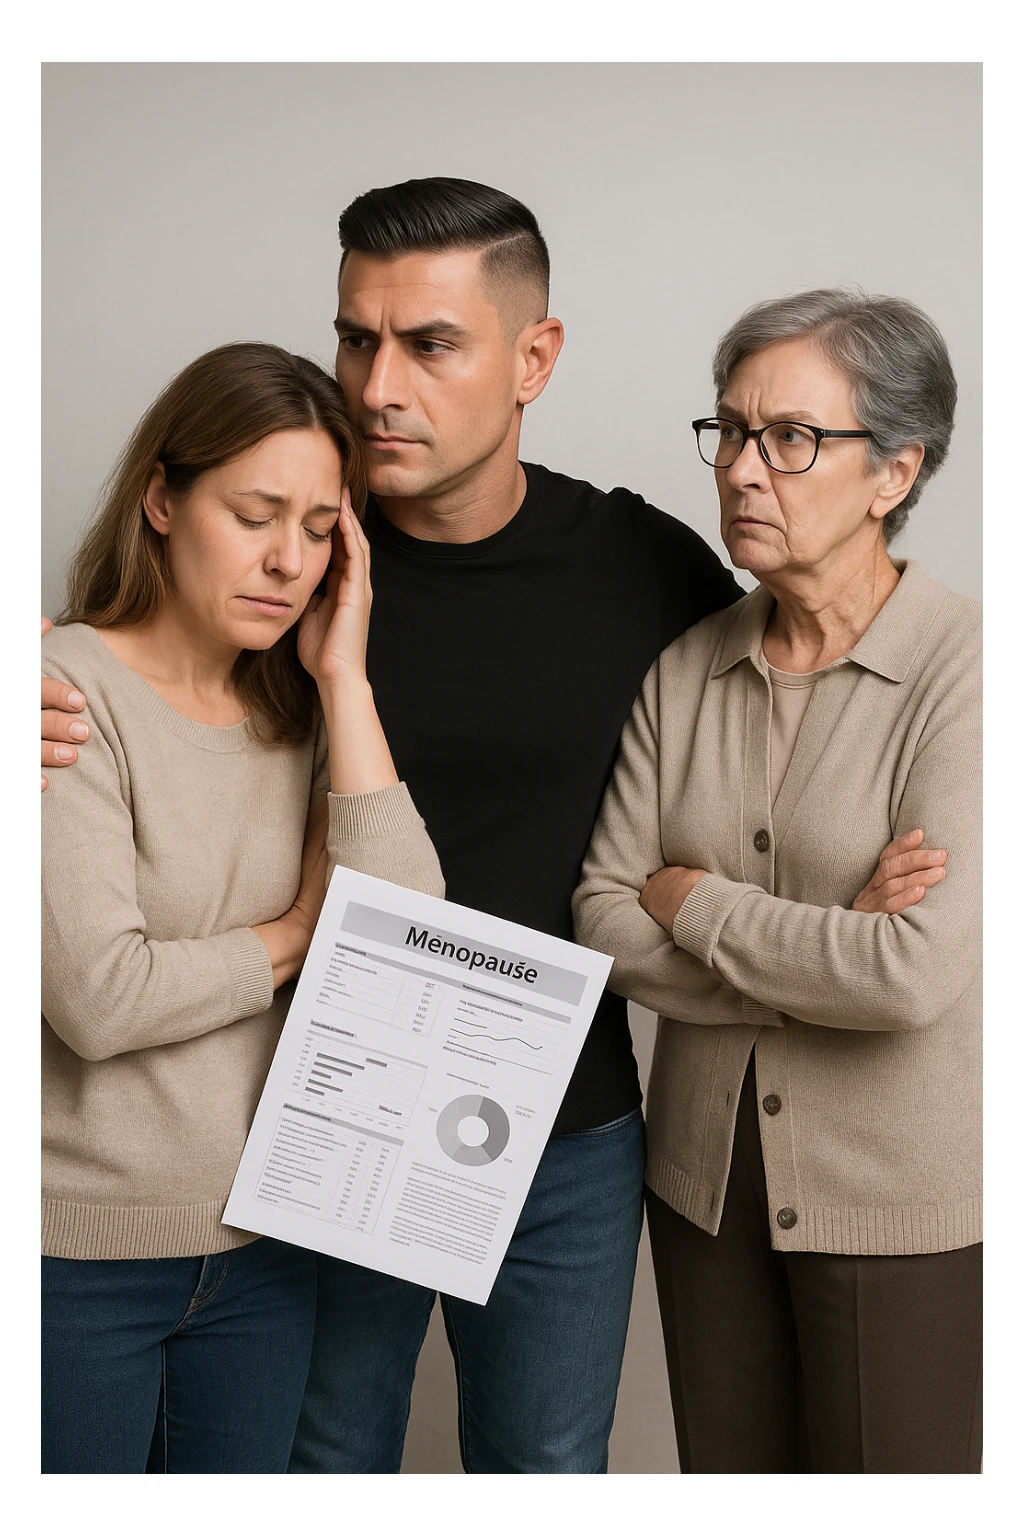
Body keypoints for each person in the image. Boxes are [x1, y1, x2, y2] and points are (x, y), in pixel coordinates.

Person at [40, 183, 936, 1475]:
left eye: (430, 345)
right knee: (322, 1464)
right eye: (357, 339)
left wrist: (829, 914)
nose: (377, 385)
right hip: (318, 1118)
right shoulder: (286, 553)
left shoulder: (644, 566)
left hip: (568, 1129)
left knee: (547, 1471)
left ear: (536, 358)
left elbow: (791, 699)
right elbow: (134, 683)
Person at [573, 288, 981, 1474]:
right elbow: (600, 910)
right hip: (703, 1192)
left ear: (893, 473)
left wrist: (692, 901)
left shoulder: (969, 672)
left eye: (791, 439)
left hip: (902, 1195)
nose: (744, 471)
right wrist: (820, 949)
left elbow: (907, 978)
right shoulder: (687, 666)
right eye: (731, 431)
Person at [41, 341, 443, 1474]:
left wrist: (345, 682)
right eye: (256, 513)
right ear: (162, 500)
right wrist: (298, 937)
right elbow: (99, 998)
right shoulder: (63, 697)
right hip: (75, 1261)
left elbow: (408, 949)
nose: (286, 559)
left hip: (268, 1252)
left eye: (320, 528)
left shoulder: (303, 715)